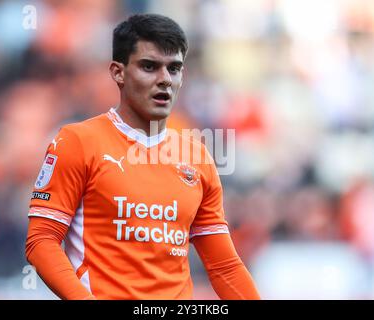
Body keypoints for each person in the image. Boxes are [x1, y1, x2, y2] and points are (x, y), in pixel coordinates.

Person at [25, 13, 260, 300]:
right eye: (150, 67)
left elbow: (224, 266)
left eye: (174, 69)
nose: (164, 80)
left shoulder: (196, 156)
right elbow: (41, 241)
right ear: (118, 72)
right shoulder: (77, 142)